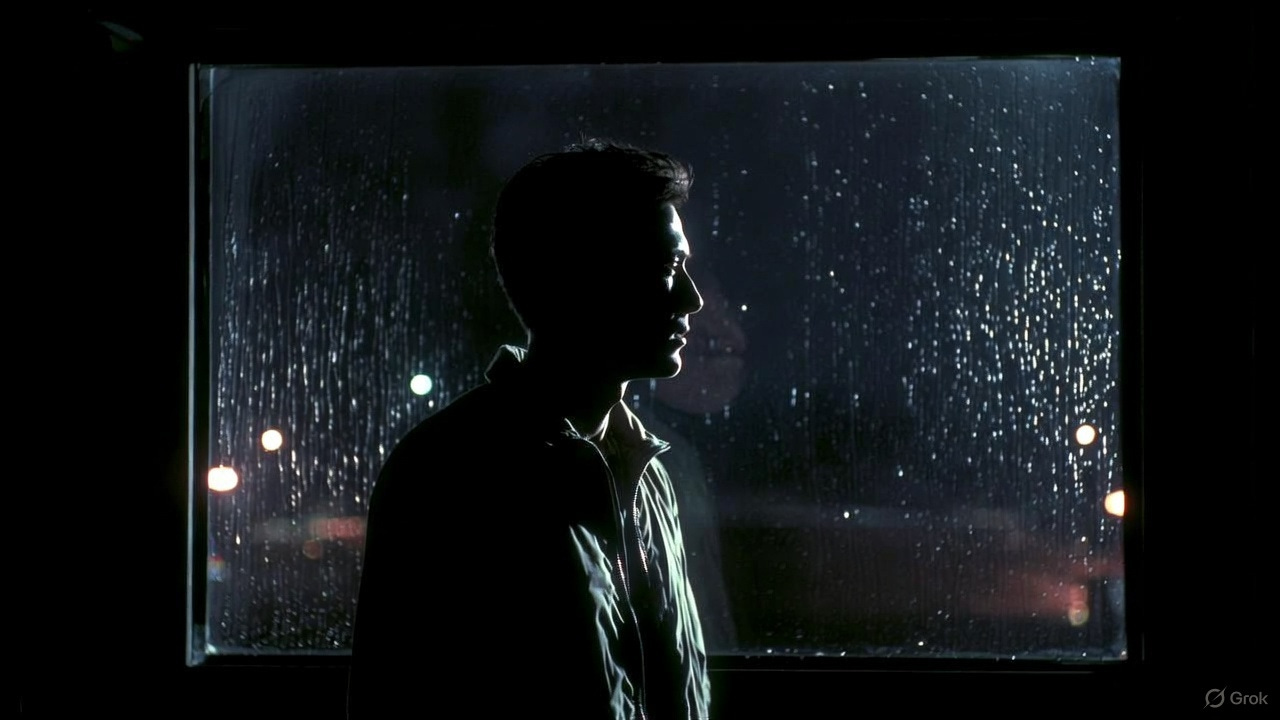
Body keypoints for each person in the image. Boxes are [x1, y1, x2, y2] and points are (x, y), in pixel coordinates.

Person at [349, 139, 712, 719]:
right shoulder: (453, 473)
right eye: (667, 268)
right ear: (580, 276)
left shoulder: (647, 474)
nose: (691, 299)